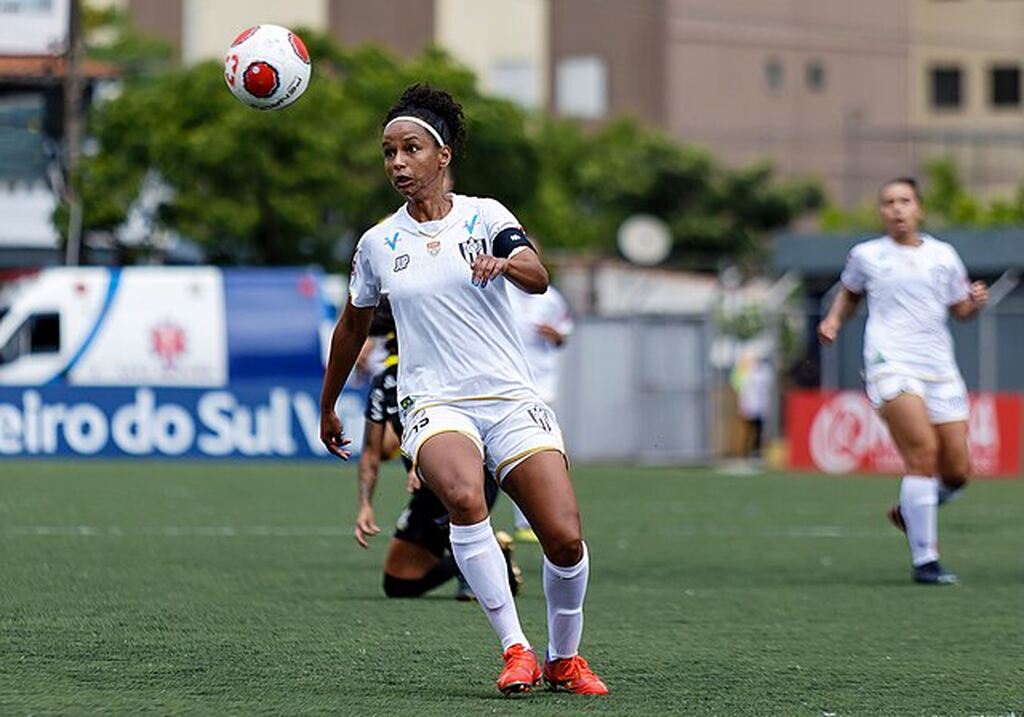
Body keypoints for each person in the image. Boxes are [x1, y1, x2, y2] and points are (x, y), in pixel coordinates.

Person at [319, 84, 608, 696]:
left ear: (442, 155)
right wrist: (328, 405)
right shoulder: (377, 244)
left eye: (411, 149)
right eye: (389, 152)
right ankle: (516, 649)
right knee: (463, 496)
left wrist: (505, 264)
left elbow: (536, 273)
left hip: (508, 396)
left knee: (565, 535)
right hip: (434, 401)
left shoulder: (486, 216)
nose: (398, 162)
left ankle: (565, 658)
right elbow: (352, 327)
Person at [818, 177, 988, 585]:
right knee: (922, 454)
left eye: (905, 201)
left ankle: (908, 511)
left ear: (919, 209)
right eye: (888, 202)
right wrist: (834, 320)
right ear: (881, 211)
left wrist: (974, 303)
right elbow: (850, 292)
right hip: (890, 362)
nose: (897, 208)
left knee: (958, 472)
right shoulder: (867, 255)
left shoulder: (944, 256)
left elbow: (959, 310)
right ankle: (925, 561)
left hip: (940, 369)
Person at [354, 299, 520, 601]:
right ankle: (496, 559)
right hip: (426, 489)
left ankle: (475, 574)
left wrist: (420, 466)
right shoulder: (386, 383)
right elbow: (371, 452)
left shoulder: (445, 378)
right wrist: (365, 504)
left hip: (469, 478)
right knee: (399, 585)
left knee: (450, 507)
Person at [505, 278, 574, 543]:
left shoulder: (550, 297)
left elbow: (565, 332)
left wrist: (556, 335)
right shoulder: (500, 290)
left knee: (538, 450)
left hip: (541, 385)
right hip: (507, 382)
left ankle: (530, 521)